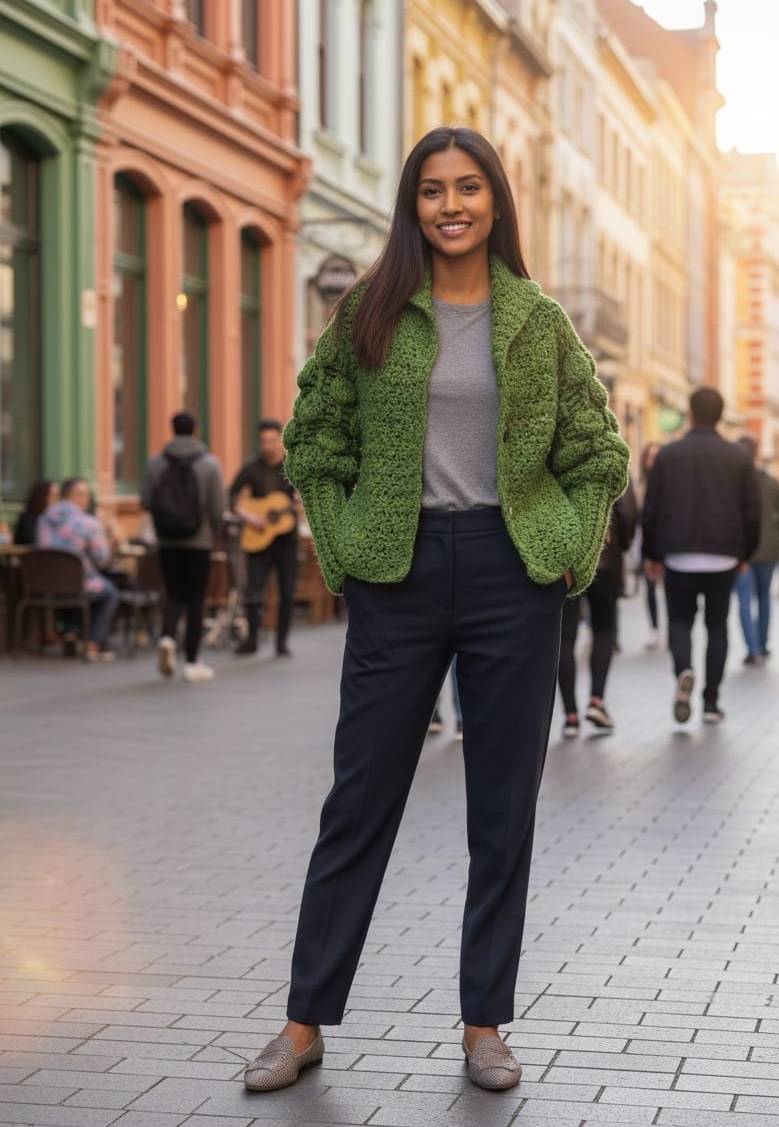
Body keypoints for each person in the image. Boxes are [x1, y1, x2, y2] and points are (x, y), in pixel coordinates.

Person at [242, 126, 629, 1095]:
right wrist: (344, 549)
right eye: (431, 190)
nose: (450, 204)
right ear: (411, 205)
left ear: (496, 200)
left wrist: (566, 551)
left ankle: (485, 1023)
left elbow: (600, 454)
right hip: (398, 573)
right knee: (357, 801)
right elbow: (314, 437)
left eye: (468, 188)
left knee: (503, 812)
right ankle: (301, 1022)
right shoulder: (372, 311)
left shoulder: (536, 319)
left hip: (513, 572)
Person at [642, 387, 760, 725]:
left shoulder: (668, 455)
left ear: (690, 414)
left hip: (678, 554)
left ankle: (684, 669)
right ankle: (711, 702)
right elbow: (752, 510)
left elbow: (652, 508)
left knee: (680, 621)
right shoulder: (738, 457)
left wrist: (652, 553)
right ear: (721, 416)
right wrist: (746, 553)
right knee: (717, 626)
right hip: (724, 554)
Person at [141, 411, 225, 682]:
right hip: (198, 542)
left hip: (166, 541)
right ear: (195, 430)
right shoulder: (209, 464)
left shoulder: (156, 463)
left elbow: (145, 501)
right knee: (196, 598)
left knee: (174, 593)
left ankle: (167, 637)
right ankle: (192, 661)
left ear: (172, 429)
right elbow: (217, 507)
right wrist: (215, 533)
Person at [558, 481, 638, 736]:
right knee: (603, 632)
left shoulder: (560, 451)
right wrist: (619, 546)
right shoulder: (611, 454)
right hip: (606, 562)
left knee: (565, 638)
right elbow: (627, 513)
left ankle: (570, 716)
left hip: (567, 562)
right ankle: (596, 701)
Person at [230, 419, 299, 657]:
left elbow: (300, 499)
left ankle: (282, 642)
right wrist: (249, 516)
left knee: (287, 592)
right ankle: (252, 639)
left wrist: (300, 503)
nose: (267, 446)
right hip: (258, 539)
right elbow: (231, 496)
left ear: (279, 441)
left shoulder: (291, 467)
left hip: (285, 540)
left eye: (271, 441)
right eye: (263, 441)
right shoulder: (250, 468)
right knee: (252, 590)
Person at [37, 478, 119, 662]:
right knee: (109, 592)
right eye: (81, 494)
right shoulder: (88, 522)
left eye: (87, 494)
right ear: (69, 496)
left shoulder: (43, 519)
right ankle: (93, 643)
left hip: (45, 584)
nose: (86, 499)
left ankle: (69, 634)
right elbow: (102, 557)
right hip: (78, 584)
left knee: (77, 585)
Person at [734, 436, 779, 665]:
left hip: (742, 552)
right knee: (763, 597)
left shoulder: (733, 482)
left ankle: (752, 649)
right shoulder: (770, 482)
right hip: (769, 549)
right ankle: (762, 643)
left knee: (743, 599)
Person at [638, 442, 663, 649]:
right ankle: (655, 628)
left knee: (670, 589)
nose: (652, 461)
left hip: (666, 543)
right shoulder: (640, 484)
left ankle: (670, 631)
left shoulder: (671, 483)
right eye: (649, 456)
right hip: (645, 542)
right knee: (650, 588)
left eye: (657, 456)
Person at [14, 479, 59, 545]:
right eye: (53, 495)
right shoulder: (29, 518)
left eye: (58, 495)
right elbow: (31, 542)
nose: (57, 499)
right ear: (41, 496)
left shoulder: (61, 517)